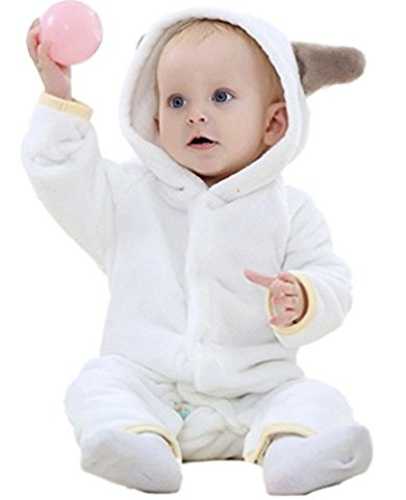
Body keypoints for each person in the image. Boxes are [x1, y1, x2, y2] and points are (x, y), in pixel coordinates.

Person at [22, 6, 372, 495]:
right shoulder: (127, 197)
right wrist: (58, 96)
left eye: (222, 96)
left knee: (314, 398)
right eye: (177, 100)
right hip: (151, 386)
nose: (197, 114)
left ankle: (294, 454)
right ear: (154, 117)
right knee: (96, 384)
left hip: (255, 390)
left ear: (274, 123)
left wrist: (305, 296)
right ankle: (136, 445)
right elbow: (63, 175)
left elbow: (332, 279)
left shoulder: (290, 211)